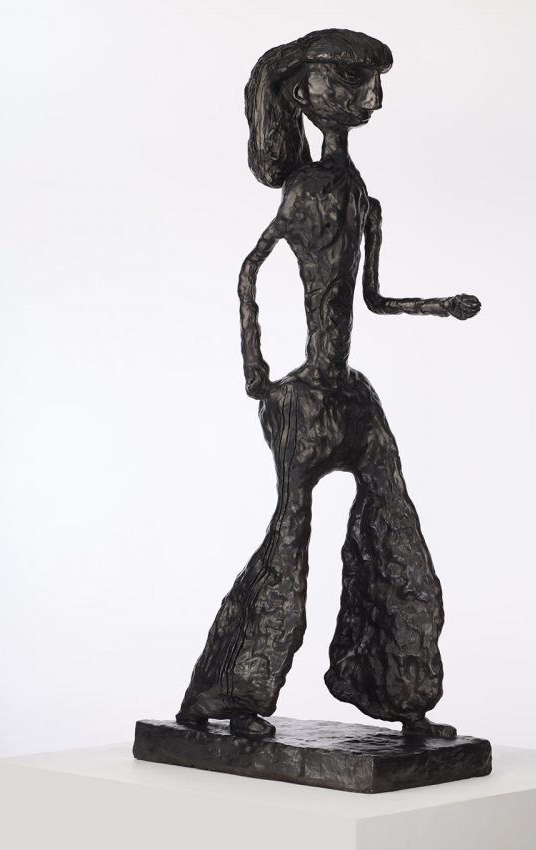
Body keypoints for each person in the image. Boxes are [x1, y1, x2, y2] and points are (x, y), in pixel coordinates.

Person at [176, 29, 481, 738]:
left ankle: (399, 692)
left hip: (346, 392)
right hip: (304, 398)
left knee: (393, 521)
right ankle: (225, 696)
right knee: (290, 534)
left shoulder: (360, 195)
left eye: (372, 85)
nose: (369, 98)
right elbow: (251, 269)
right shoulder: (307, 189)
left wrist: (439, 305)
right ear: (302, 92)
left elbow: (371, 298)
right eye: (349, 83)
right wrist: (258, 376)